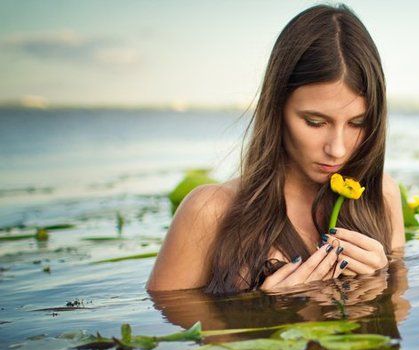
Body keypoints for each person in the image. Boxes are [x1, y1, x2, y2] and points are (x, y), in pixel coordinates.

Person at [147, 4, 404, 295]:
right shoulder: (209, 211)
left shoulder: (381, 195)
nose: (338, 149)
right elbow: (165, 330)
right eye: (315, 122)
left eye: (358, 123)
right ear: (276, 109)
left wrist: (381, 281)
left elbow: (397, 316)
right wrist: (264, 309)